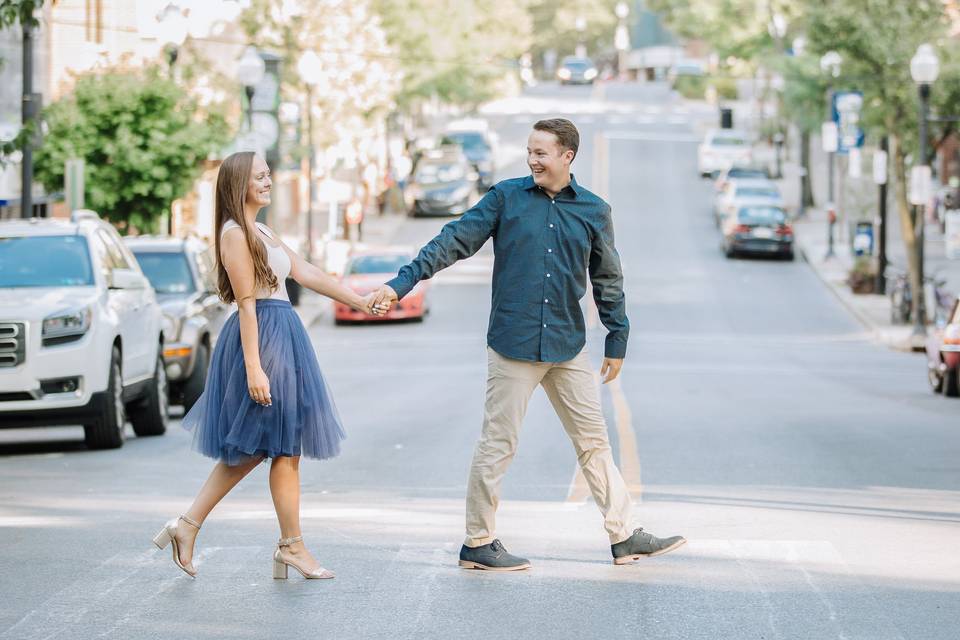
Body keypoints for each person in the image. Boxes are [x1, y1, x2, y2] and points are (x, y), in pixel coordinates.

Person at [372, 118, 685, 571]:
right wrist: (403, 283)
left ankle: (624, 535)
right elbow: (453, 240)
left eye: (541, 152)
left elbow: (608, 279)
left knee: (594, 443)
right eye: (530, 151)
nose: (532, 159)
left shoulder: (594, 211)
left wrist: (617, 338)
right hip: (512, 344)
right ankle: (478, 542)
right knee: (498, 444)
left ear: (567, 157)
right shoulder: (506, 198)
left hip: (567, 344)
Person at [152, 151, 389, 580]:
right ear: (238, 183)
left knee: (280, 447)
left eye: (268, 174)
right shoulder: (233, 234)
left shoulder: (260, 229)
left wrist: (361, 301)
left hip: (282, 333)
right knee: (269, 445)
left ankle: (212, 531)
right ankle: (275, 543)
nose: (268, 180)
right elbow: (246, 304)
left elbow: (305, 272)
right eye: (259, 175)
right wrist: (254, 367)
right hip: (263, 338)